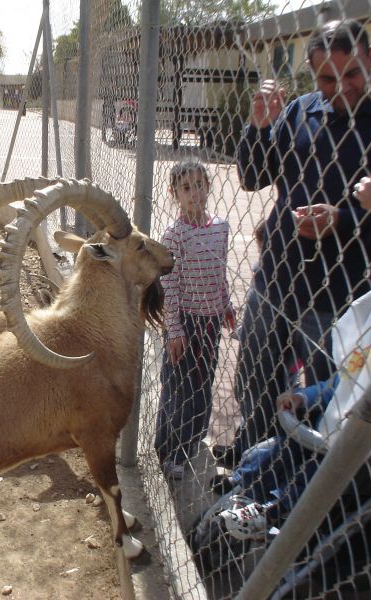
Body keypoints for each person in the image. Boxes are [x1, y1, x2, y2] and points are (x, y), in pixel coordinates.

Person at [219, 19, 371, 468]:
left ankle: (300, 480)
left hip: (340, 292)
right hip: (276, 278)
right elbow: (253, 177)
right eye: (326, 79)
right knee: (256, 378)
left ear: (370, 57)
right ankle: (251, 461)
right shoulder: (302, 110)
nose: (340, 88)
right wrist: (259, 127)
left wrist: (342, 219)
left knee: (323, 392)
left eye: (352, 73)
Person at [215, 178, 371, 540]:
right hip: (328, 418)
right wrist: (304, 395)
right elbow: (338, 382)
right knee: (274, 448)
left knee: (318, 472)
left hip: (359, 445)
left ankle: (276, 510)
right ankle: (246, 485)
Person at [155, 159, 236, 479]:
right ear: (174, 193)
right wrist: (174, 330)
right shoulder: (174, 235)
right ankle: (170, 450)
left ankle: (193, 437)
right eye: (186, 188)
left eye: (199, 186)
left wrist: (226, 304)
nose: (194, 194)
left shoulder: (221, 227)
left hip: (210, 321)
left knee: (204, 380)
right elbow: (169, 287)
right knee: (178, 387)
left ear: (208, 187)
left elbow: (220, 271)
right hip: (185, 321)